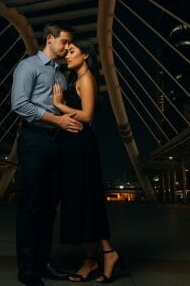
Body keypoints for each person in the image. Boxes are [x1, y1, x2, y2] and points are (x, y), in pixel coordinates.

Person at [10, 21, 84, 286]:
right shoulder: (28, 66)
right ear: (50, 39)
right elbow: (19, 104)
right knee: (31, 205)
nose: (67, 47)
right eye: (64, 41)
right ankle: (27, 269)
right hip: (35, 139)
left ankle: (43, 263)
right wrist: (57, 121)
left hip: (58, 142)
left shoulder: (61, 76)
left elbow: (62, 110)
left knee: (50, 207)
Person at [52, 38, 124, 283]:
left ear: (85, 56)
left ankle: (105, 253)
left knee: (89, 199)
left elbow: (87, 115)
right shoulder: (77, 80)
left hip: (82, 146)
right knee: (86, 200)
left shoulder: (86, 80)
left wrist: (59, 105)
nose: (67, 55)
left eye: (72, 51)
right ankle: (94, 258)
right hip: (75, 146)